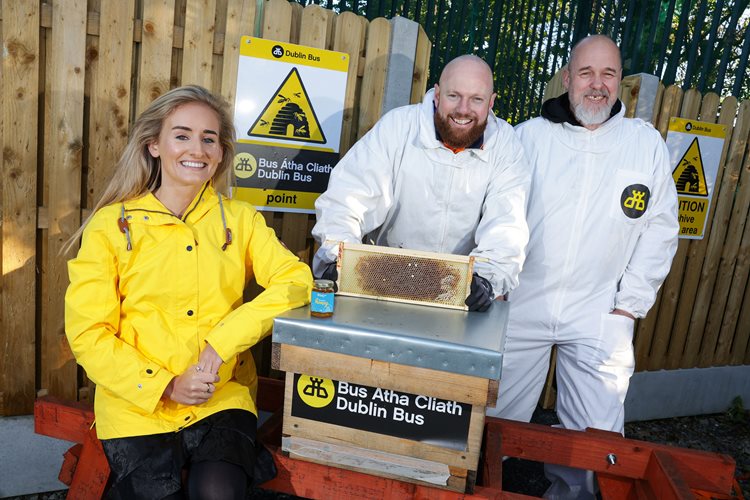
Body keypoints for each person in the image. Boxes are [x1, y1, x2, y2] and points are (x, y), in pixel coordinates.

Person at [64, 85, 313, 499]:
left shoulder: (240, 219)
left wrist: (220, 345)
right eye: (182, 135)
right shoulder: (113, 226)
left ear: (219, 152)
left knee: (219, 492)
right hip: (137, 404)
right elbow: (89, 333)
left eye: (208, 139)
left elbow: (297, 282)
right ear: (155, 146)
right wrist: (164, 385)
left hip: (220, 395)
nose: (196, 148)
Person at [488, 35, 679, 498]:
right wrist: (499, 284)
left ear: (620, 84)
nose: (597, 85)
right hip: (522, 303)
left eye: (608, 74)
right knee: (491, 420)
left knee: (596, 442)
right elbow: (495, 208)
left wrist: (628, 306)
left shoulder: (643, 144)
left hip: (600, 312)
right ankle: (476, 488)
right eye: (587, 73)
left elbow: (659, 228)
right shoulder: (527, 137)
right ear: (568, 77)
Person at [311, 55, 530, 311]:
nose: (463, 109)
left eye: (477, 99)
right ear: (437, 94)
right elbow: (349, 196)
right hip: (380, 287)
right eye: (453, 95)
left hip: (459, 297)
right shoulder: (398, 128)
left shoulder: (505, 146)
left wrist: (486, 278)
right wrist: (337, 256)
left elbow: (506, 225)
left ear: (490, 103)